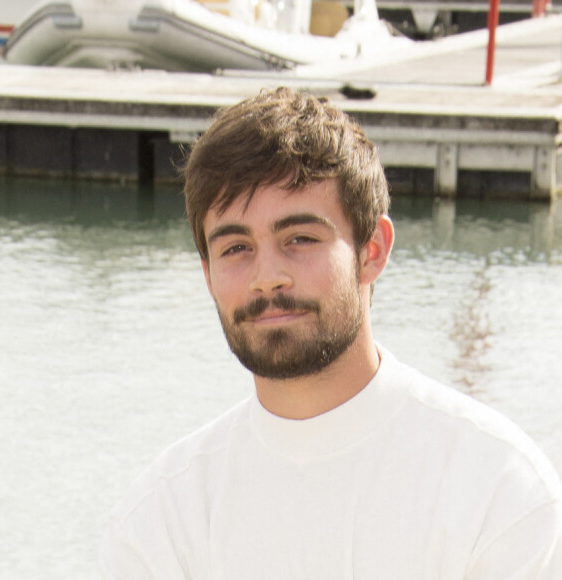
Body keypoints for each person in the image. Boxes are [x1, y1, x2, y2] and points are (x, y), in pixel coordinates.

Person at [99, 87, 562, 579]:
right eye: (236, 247)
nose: (267, 276)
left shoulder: (497, 489)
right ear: (208, 272)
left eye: (300, 238)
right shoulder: (161, 520)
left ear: (373, 250)